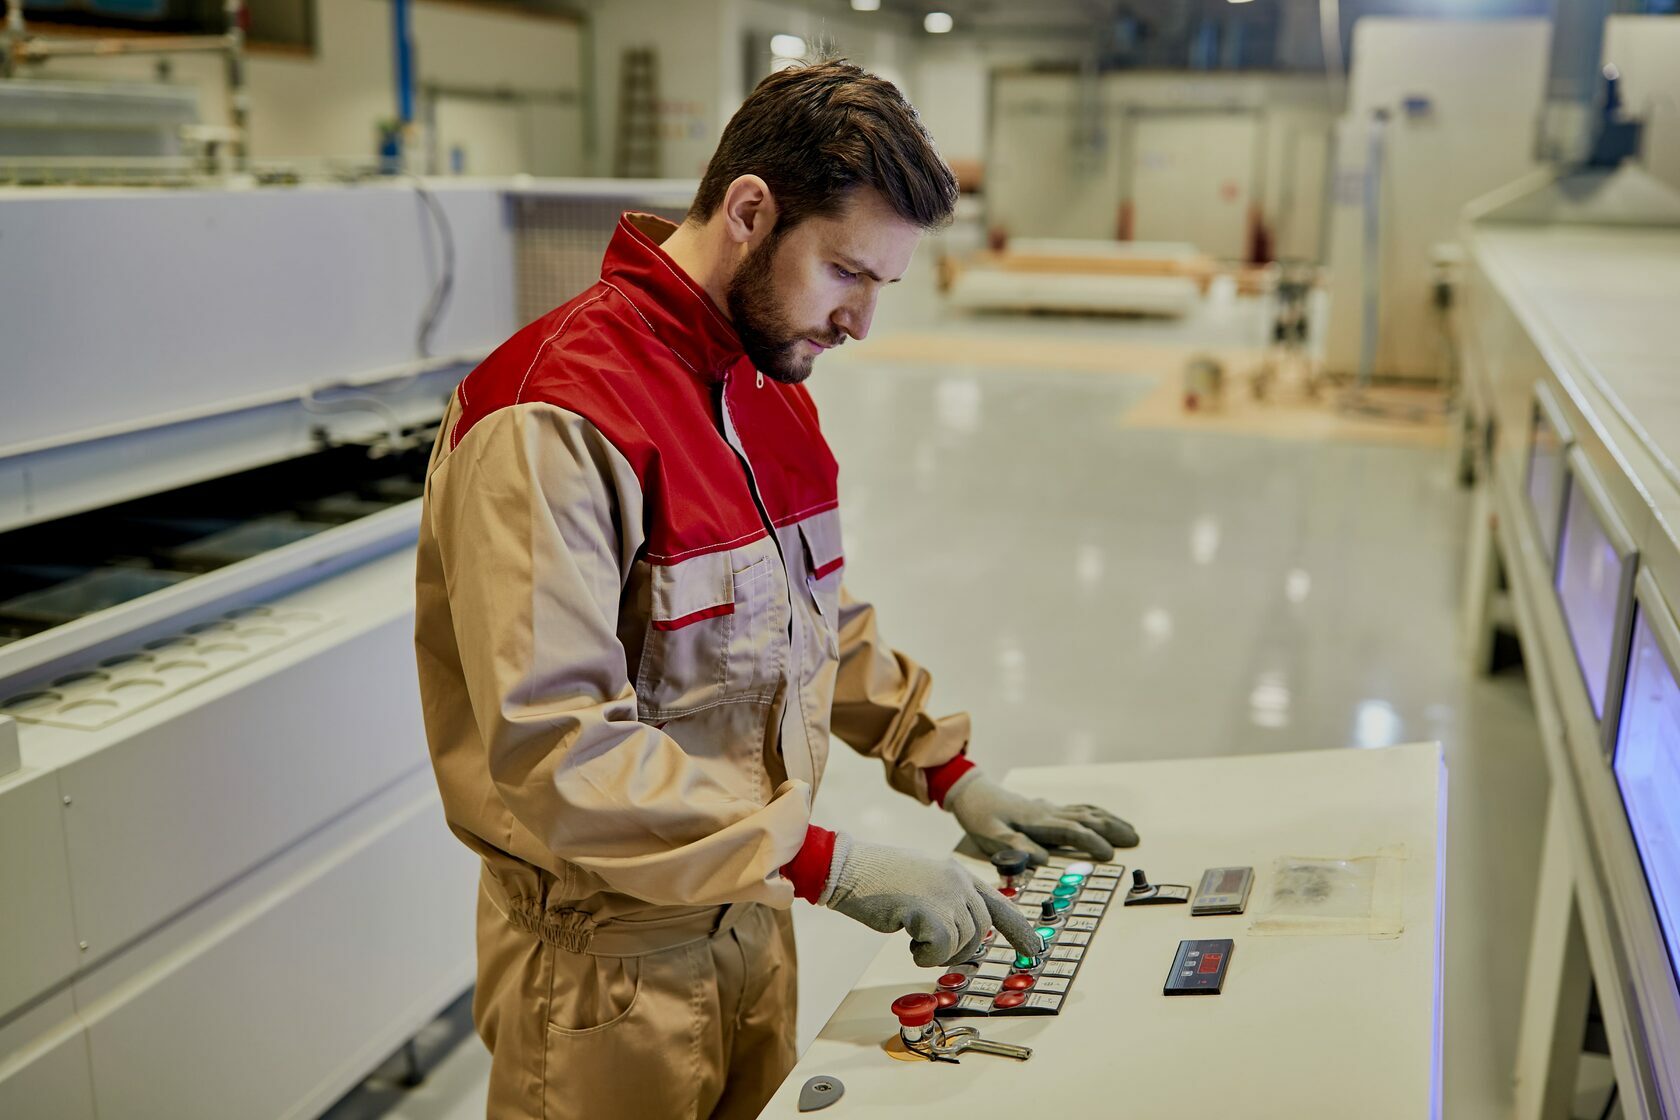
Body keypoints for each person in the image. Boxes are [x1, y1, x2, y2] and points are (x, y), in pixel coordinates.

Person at [413, 58, 1138, 1120]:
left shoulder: (767, 388)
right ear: (750, 209)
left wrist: (949, 769)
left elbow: (810, 626)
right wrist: (827, 858)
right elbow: (559, 749)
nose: (861, 324)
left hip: (753, 926)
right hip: (606, 975)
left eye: (882, 287)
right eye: (847, 272)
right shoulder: (557, 417)